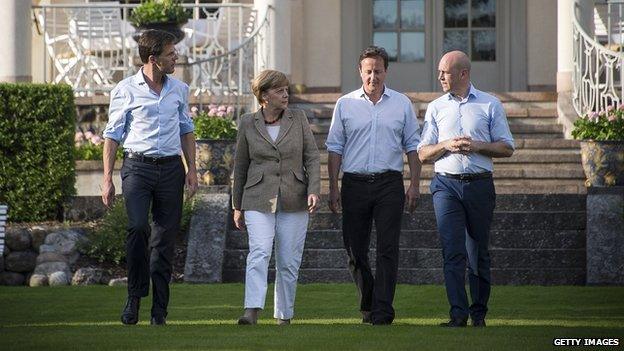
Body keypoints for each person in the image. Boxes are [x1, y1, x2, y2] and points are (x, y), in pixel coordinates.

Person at [101, 29, 198, 326]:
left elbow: (186, 129)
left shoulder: (179, 89)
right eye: (171, 54)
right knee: (138, 228)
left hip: (171, 170)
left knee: (164, 240)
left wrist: (192, 168)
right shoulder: (125, 89)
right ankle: (134, 297)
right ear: (154, 59)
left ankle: (160, 311)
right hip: (137, 168)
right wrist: (107, 177)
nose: (177, 58)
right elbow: (112, 136)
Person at [417, 50, 514, 328]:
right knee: (452, 251)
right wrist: (446, 145)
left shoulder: (490, 104)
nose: (439, 77)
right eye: (439, 72)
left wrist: (477, 145)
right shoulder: (436, 107)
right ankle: (457, 314)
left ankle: (479, 314)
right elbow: (423, 153)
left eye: (444, 72)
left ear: (463, 73)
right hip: (445, 185)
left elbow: (507, 147)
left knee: (478, 252)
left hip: (480, 186)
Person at [326, 46, 422, 325]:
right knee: (354, 250)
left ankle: (382, 310)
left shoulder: (402, 104)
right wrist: (333, 187)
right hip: (354, 184)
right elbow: (334, 148)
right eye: (368, 71)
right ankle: (368, 300)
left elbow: (413, 147)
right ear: (360, 72)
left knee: (387, 248)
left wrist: (415, 184)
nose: (372, 77)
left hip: (389, 184)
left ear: (386, 72)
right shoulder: (345, 104)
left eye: (377, 71)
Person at [232, 69, 320, 325]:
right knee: (259, 252)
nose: (286, 94)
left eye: (286, 89)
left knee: (288, 260)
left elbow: (312, 158)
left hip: (295, 196)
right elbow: (240, 166)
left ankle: (284, 315)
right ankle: (252, 310)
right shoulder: (248, 122)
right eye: (279, 90)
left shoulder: (299, 118)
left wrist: (314, 189)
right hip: (257, 197)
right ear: (264, 95)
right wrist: (237, 205)